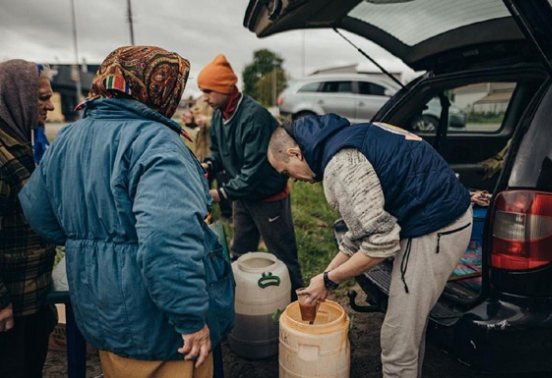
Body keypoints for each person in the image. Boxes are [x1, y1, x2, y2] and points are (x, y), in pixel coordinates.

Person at [18, 46, 234, 378]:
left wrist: (86, 238)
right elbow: (168, 240)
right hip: (162, 329)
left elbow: (36, 211)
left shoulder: (68, 136)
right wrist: (190, 321)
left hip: (101, 309)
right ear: (161, 89)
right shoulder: (159, 143)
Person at [268, 114, 473, 378]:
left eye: (286, 173)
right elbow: (362, 231)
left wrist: (331, 280)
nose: (292, 180)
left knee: (397, 337)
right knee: (407, 326)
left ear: (296, 154)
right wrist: (325, 276)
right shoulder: (347, 137)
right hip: (434, 213)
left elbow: (381, 244)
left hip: (437, 226)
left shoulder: (340, 167)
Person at [197, 54, 304, 295]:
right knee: (239, 253)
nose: (204, 97)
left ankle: (298, 304)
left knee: (284, 257)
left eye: (208, 91)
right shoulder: (218, 114)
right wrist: (208, 166)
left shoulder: (253, 117)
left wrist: (220, 193)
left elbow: (254, 169)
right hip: (243, 196)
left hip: (267, 195)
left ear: (226, 88)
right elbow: (218, 152)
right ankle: (242, 301)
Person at [0, 60, 56, 378]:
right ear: (15, 96)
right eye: (42, 98)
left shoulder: (22, 143)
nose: (49, 106)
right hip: (10, 306)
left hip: (30, 298)